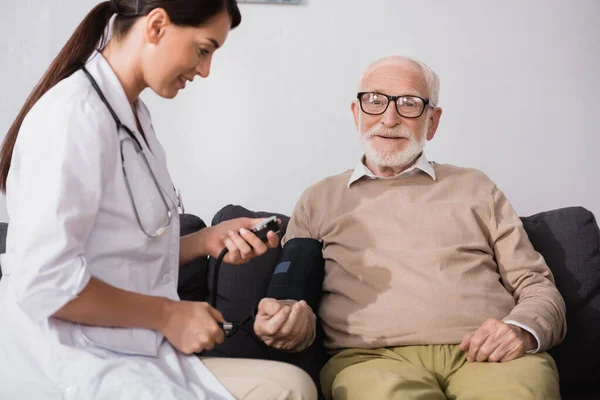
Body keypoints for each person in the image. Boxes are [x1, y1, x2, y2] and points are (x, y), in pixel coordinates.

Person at [0, 1, 317, 399]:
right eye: (204, 50)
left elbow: (120, 251)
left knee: (294, 387)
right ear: (156, 26)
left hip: (132, 352)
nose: (205, 70)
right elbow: (44, 282)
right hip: (72, 361)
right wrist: (168, 315)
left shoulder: (134, 117)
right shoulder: (73, 118)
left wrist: (206, 241)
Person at [252, 55, 567, 400]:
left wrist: (520, 331)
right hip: (370, 362)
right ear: (356, 114)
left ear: (432, 121)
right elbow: (296, 304)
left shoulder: (477, 188)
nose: (389, 118)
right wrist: (287, 325)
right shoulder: (318, 199)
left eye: (409, 104)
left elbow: (538, 287)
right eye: (374, 101)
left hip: (489, 355)